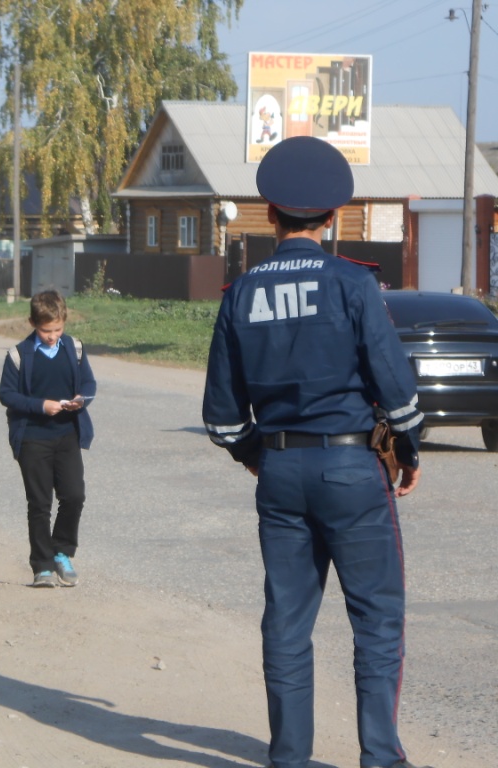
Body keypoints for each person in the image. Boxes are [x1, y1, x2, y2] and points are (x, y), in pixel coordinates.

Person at [202, 136, 428, 768]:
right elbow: (398, 390)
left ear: (269, 214)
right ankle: (379, 756)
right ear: (330, 218)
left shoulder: (240, 294)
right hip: (353, 470)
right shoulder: (354, 285)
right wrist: (407, 453)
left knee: (287, 624)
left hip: (279, 473)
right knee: (378, 620)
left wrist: (259, 454)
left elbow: (221, 418)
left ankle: (290, 758)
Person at [0, 290, 97, 588]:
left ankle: (61, 552)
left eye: (57, 329)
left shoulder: (75, 348)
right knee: (40, 503)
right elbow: (7, 394)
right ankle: (41, 566)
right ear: (32, 323)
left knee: (74, 496)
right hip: (32, 437)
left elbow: (89, 383)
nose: (52, 336)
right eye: (45, 330)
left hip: (67, 433)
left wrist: (81, 400)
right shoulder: (18, 355)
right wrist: (42, 405)